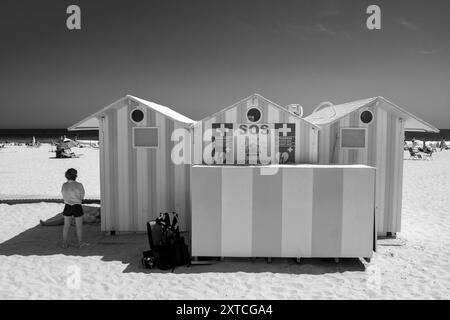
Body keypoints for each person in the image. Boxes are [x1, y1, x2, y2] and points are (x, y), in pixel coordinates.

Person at [61, 168, 88, 248]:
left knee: (66, 226)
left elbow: (63, 194)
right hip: (77, 206)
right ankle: (80, 243)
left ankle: (64, 243)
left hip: (67, 206)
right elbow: (82, 196)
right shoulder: (79, 185)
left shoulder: (64, 185)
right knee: (79, 226)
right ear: (75, 176)